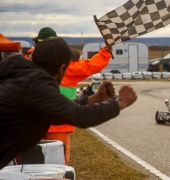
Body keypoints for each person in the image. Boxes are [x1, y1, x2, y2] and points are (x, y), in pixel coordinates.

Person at [0, 37, 137, 169]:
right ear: (61, 69)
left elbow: (56, 112)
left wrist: (93, 99)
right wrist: (120, 103)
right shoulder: (37, 84)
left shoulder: (22, 76)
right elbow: (80, 116)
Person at [26, 27, 113, 165]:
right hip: (60, 123)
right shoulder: (68, 66)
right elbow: (91, 66)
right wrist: (105, 52)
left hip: (30, 123)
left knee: (29, 161)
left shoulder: (25, 63)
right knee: (58, 163)